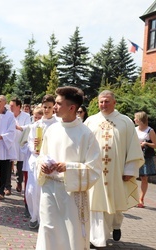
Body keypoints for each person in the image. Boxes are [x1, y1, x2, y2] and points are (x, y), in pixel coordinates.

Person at [36, 86, 102, 250]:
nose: (54, 107)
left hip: (72, 195)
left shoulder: (85, 134)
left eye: (58, 104)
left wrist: (68, 168)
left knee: (71, 233)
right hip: (49, 189)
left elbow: (94, 169)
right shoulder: (51, 129)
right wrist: (43, 164)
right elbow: (43, 154)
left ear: (72, 108)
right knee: (48, 229)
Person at [84, 90, 144, 247]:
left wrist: (130, 170)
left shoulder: (125, 122)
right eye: (101, 102)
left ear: (114, 102)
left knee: (115, 204)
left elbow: (133, 147)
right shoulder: (90, 121)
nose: (103, 104)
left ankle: (116, 225)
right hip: (95, 170)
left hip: (116, 171)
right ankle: (97, 239)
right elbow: (83, 145)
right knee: (96, 204)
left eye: (107, 101)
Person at [26, 94, 58, 229]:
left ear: (54, 108)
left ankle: (44, 218)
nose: (46, 110)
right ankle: (34, 216)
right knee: (32, 190)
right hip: (36, 159)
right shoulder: (37, 125)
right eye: (45, 107)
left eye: (49, 107)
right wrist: (34, 146)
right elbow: (29, 141)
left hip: (50, 161)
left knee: (45, 191)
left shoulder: (57, 125)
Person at [134, 111, 156, 208]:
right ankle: (132, 197)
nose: (134, 120)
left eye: (136, 118)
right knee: (131, 176)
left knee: (144, 178)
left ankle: (141, 199)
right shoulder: (134, 130)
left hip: (145, 157)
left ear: (140, 119)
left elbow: (155, 145)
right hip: (135, 155)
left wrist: (146, 143)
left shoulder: (150, 131)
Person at [9, 98, 31, 193]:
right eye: (10, 106)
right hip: (10, 142)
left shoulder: (26, 116)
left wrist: (19, 127)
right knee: (8, 165)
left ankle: (19, 182)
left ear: (18, 106)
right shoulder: (8, 115)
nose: (10, 107)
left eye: (12, 106)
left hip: (20, 142)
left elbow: (29, 127)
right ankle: (7, 186)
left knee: (20, 165)